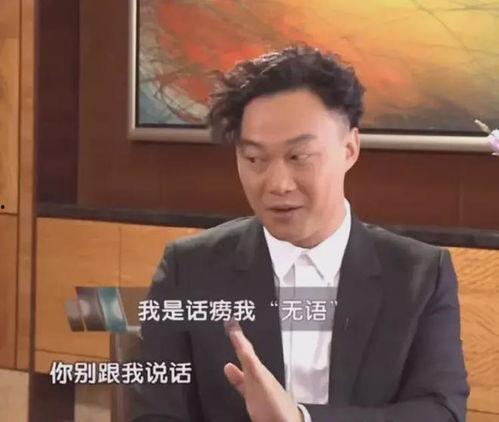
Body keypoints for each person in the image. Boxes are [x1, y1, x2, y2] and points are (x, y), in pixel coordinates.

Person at [133, 44, 469, 422]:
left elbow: (441, 412)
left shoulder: (419, 275)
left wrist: (301, 418)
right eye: (254, 159)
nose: (277, 184)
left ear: (349, 149)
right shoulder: (189, 269)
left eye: (299, 157)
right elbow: (154, 415)